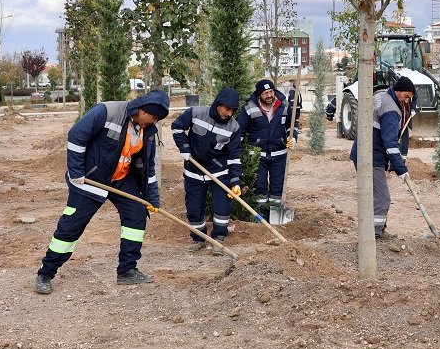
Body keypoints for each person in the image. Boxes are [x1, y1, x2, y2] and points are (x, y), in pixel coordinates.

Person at [34, 90, 170, 295]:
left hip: (121, 180)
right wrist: (77, 172)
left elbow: (147, 167)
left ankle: (127, 270)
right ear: (143, 110)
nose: (154, 122)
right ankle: (46, 273)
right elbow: (75, 136)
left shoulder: (146, 130)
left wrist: (152, 198)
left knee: (137, 215)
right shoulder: (106, 111)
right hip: (90, 179)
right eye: (153, 117)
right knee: (71, 225)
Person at [171, 88, 242, 255]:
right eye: (226, 108)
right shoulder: (195, 113)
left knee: (222, 206)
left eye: (232, 110)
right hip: (193, 171)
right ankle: (199, 239)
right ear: (218, 104)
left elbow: (234, 155)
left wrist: (235, 180)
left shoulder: (234, 127)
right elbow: (177, 127)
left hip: (219, 172)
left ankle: (218, 239)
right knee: (194, 208)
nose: (229, 113)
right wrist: (184, 147)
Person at [350, 76, 415, 240]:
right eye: (406, 96)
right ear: (398, 91)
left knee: (374, 196)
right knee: (383, 198)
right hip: (372, 156)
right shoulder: (392, 110)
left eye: (410, 98)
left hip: (363, 152)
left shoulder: (380, 96)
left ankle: (373, 231)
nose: (407, 101)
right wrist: (401, 168)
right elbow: (390, 143)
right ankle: (376, 234)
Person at [237, 79, 301, 221]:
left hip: (279, 154)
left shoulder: (283, 105)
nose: (269, 95)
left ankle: (276, 218)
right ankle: (261, 219)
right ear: (259, 95)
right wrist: (237, 148)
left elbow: (292, 125)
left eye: (271, 91)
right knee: (260, 188)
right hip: (257, 156)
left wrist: (293, 138)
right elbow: (240, 130)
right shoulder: (250, 107)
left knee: (277, 188)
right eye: (265, 93)